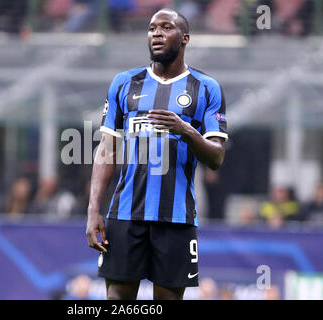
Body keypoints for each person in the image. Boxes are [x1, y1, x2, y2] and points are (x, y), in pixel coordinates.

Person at [86, 8, 228, 300]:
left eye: (166, 28)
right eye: (152, 29)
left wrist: (186, 130)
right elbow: (107, 150)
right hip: (125, 215)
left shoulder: (206, 88)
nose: (156, 34)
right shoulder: (125, 83)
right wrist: (93, 209)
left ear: (184, 38)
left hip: (176, 219)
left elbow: (216, 158)